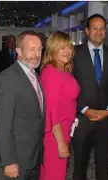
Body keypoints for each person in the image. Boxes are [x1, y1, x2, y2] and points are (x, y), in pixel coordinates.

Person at [72, 13, 108, 180]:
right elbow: (69, 88)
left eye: (102, 29)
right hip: (82, 121)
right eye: (95, 28)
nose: (99, 32)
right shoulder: (74, 53)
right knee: (79, 166)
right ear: (87, 31)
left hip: (105, 122)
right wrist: (85, 109)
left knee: (104, 167)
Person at [0, 31, 45, 180]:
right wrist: (9, 161)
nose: (37, 54)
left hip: (33, 156)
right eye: (32, 49)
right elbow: (3, 124)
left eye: (39, 49)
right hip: (16, 159)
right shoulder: (9, 78)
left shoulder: (34, 75)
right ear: (19, 51)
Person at [39, 31, 80, 180]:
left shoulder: (64, 69)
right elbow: (51, 110)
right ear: (53, 48)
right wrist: (61, 142)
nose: (67, 51)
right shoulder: (51, 72)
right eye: (62, 47)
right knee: (54, 175)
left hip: (64, 131)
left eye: (69, 47)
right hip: (55, 135)